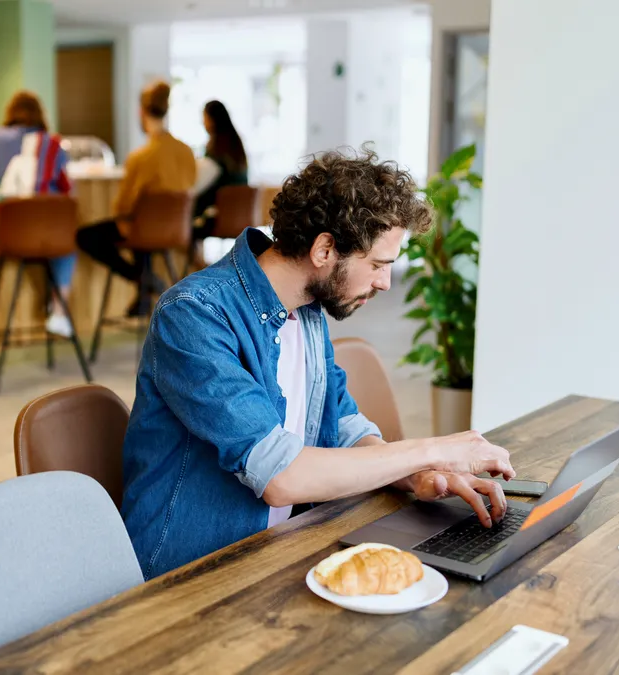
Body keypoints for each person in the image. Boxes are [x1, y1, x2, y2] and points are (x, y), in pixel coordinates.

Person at [120, 148, 515, 579]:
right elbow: (281, 477)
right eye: (378, 265)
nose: (385, 282)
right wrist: (433, 449)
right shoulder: (194, 314)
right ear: (325, 248)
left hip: (281, 551)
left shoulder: (307, 309)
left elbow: (342, 423)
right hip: (194, 575)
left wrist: (415, 473)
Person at [0, 91, 76, 337]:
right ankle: (59, 310)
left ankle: (56, 311)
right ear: (40, 115)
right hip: (50, 239)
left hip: (10, 236)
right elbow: (68, 189)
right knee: (68, 241)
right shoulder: (52, 144)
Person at [76, 80, 197, 317]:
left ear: (141, 113)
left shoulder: (141, 158)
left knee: (87, 236)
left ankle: (143, 279)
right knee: (143, 230)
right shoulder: (186, 152)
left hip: (142, 230)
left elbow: (123, 206)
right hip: (176, 230)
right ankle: (144, 290)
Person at [190, 100, 249, 267]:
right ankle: (201, 266)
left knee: (182, 223)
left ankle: (198, 268)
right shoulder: (237, 146)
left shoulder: (216, 153)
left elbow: (195, 187)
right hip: (239, 216)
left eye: (205, 118)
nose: (203, 123)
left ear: (212, 120)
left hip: (217, 217)